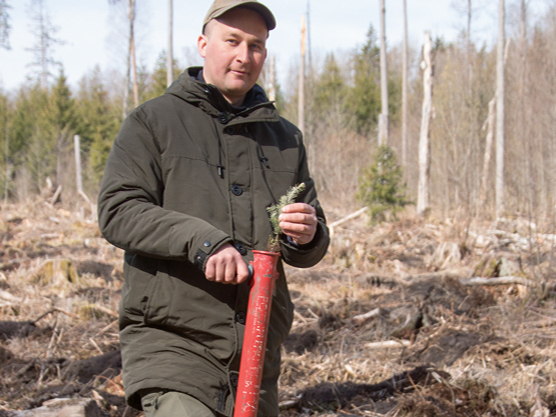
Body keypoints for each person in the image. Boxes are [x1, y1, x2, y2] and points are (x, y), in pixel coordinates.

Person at [97, 1, 329, 416]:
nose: (244, 56)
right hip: (173, 340)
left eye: (256, 46)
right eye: (232, 41)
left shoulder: (285, 138)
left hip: (257, 349)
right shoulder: (153, 122)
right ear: (204, 44)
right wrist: (204, 243)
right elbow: (119, 210)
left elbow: (307, 241)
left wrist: (308, 233)